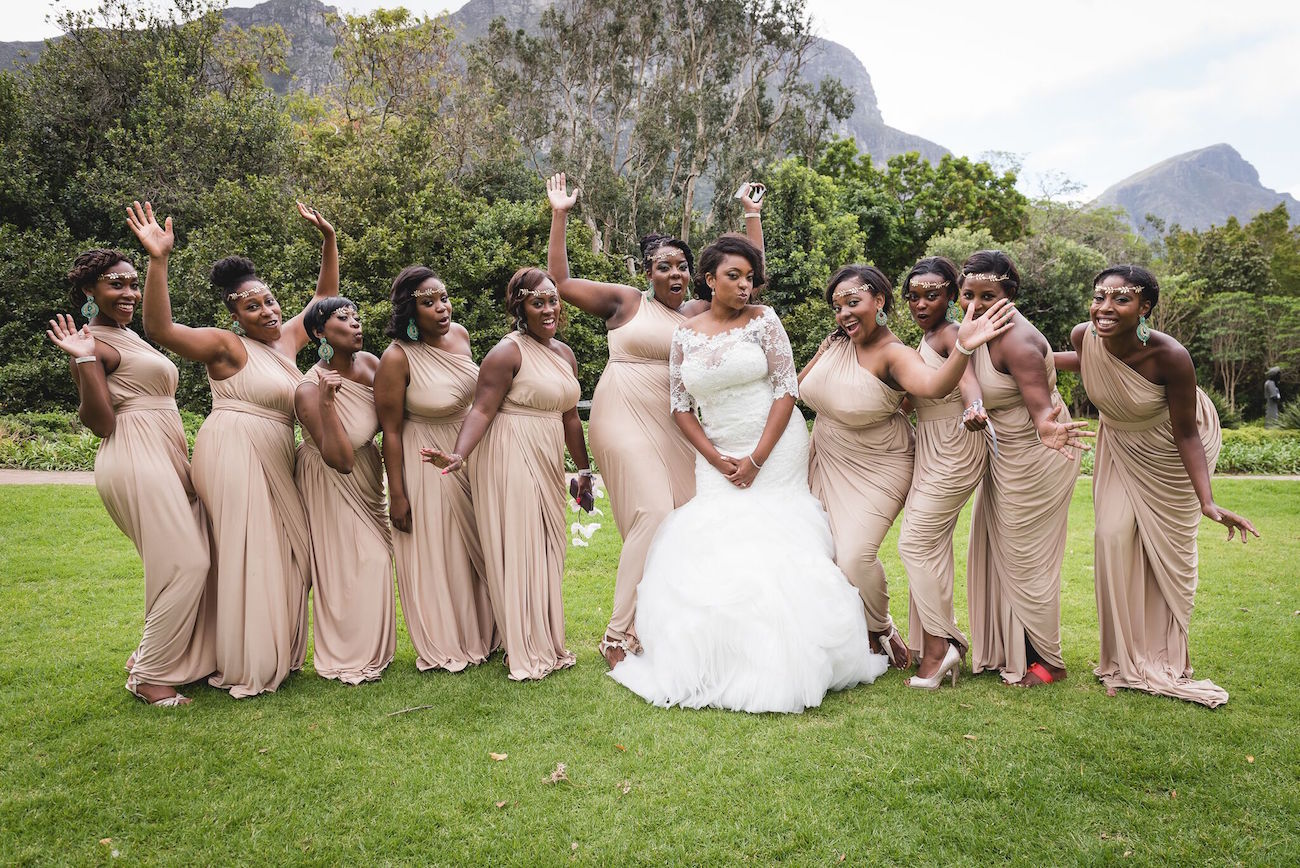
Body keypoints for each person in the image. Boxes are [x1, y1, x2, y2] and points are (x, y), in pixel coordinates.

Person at [607, 235, 889, 713]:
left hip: (774, 447)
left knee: (775, 535)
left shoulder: (764, 320)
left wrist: (757, 458)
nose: (744, 285)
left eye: (750, 277)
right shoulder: (686, 332)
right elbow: (680, 407)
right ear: (710, 280)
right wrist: (716, 458)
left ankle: (791, 653)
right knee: (714, 539)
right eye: (733, 276)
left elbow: (786, 391)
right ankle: (721, 657)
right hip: (715, 451)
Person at [544, 172, 765, 666]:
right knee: (653, 514)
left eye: (682, 267)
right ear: (647, 272)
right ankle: (618, 635)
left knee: (687, 519)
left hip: (676, 420)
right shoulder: (625, 303)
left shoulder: (699, 312)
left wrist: (751, 217)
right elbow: (559, 283)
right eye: (664, 267)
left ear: (694, 274)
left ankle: (665, 621)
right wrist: (560, 215)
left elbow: (750, 274)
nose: (674, 275)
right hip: (621, 409)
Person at [135, 199, 336, 698]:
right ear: (234, 313)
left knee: (290, 554)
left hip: (275, 451)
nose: (267, 312)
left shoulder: (286, 341)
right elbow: (160, 331)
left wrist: (329, 241)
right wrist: (157, 260)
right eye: (253, 306)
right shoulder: (226, 346)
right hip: (233, 449)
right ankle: (247, 662)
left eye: (269, 302)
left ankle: (271, 653)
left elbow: (325, 299)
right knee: (251, 553)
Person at [798, 262, 1013, 683]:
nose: (844, 313)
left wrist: (966, 349)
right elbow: (799, 387)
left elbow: (932, 388)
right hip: (825, 455)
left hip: (879, 463)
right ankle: (865, 633)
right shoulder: (834, 343)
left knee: (856, 558)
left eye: (853, 302)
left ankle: (882, 626)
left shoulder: (896, 354)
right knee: (823, 555)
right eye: (837, 305)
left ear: (878, 301)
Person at [1055, 265, 1257, 707]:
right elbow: (1085, 361)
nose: (1104, 308)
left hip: (1173, 445)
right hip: (1121, 443)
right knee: (1111, 537)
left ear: (1145, 308)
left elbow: (1186, 431)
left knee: (1165, 552)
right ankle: (1123, 662)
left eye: (1120, 299)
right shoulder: (1083, 335)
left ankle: (1164, 658)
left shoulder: (1171, 356)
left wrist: (1207, 501)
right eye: (1099, 297)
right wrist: (1021, 358)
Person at [47, 247, 215, 706]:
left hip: (164, 451)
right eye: (115, 284)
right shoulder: (91, 342)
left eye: (132, 283)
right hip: (133, 453)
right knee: (187, 562)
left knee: (178, 558)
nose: (128, 292)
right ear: (88, 291)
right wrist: (82, 361)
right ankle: (149, 677)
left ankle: (152, 652)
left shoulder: (130, 336)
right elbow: (100, 421)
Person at [422, 267, 593, 681]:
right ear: (521, 306)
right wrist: (460, 455)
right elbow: (481, 409)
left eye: (553, 300)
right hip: (510, 450)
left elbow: (571, 417)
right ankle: (525, 647)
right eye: (538, 302)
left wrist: (584, 469)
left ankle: (549, 641)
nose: (549, 309)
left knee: (551, 548)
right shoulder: (506, 353)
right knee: (522, 548)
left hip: (548, 452)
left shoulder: (564, 353)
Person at [959, 250, 1092, 688]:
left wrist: (1046, 425)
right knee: (1002, 554)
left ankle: (1048, 661)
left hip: (1039, 457)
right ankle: (1011, 649)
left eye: (987, 295)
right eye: (967, 295)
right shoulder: (977, 330)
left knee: (1026, 559)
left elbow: (1040, 410)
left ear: (1010, 294)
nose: (975, 305)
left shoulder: (1016, 340)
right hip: (1005, 455)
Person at [374, 267, 496, 672]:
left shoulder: (459, 336)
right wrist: (398, 494)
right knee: (441, 552)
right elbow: (389, 431)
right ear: (411, 310)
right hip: (424, 458)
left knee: (477, 543)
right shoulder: (396, 358)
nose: (441, 308)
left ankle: (487, 630)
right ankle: (447, 640)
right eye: (428, 303)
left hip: (469, 453)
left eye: (443, 298)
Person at [895, 257, 991, 689]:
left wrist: (974, 406)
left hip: (956, 443)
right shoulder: (925, 337)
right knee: (930, 546)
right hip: (930, 447)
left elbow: (967, 376)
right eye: (913, 296)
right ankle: (932, 643)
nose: (921, 303)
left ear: (951, 295)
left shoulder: (952, 332)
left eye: (932, 295)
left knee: (914, 542)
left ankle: (943, 645)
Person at [294, 297, 395, 684]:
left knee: (377, 559)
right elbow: (339, 458)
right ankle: (345, 654)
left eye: (357, 316)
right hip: (330, 477)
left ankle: (374, 651)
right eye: (343, 319)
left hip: (369, 473)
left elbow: (392, 422)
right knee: (350, 564)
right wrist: (327, 402)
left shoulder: (370, 364)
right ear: (319, 333)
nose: (355, 324)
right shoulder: (308, 390)